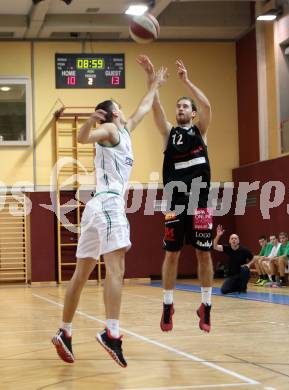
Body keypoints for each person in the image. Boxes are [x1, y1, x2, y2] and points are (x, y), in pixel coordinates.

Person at [52, 63, 168, 368]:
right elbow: (81, 138)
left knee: (81, 274)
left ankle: (65, 331)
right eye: (119, 107)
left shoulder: (125, 129)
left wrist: (153, 83)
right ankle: (112, 333)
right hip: (108, 205)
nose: (124, 109)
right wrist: (91, 121)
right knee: (116, 269)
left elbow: (144, 107)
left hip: (95, 208)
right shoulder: (111, 129)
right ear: (112, 112)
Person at [138, 55, 213, 333]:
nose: (180, 108)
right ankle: (168, 305)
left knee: (204, 255)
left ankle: (206, 305)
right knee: (172, 255)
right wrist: (151, 79)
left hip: (200, 202)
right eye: (178, 106)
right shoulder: (168, 133)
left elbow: (207, 105)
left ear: (192, 113)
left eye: (185, 106)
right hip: (175, 203)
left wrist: (187, 81)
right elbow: (155, 106)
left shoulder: (201, 132)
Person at [213, 225, 254, 294]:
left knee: (245, 269)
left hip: (241, 274)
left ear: (238, 241)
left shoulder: (244, 250)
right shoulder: (227, 248)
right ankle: (237, 287)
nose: (234, 240)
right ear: (229, 241)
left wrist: (248, 264)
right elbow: (214, 246)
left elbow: (254, 258)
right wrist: (218, 235)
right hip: (232, 276)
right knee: (224, 290)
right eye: (232, 238)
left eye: (235, 238)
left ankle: (243, 288)